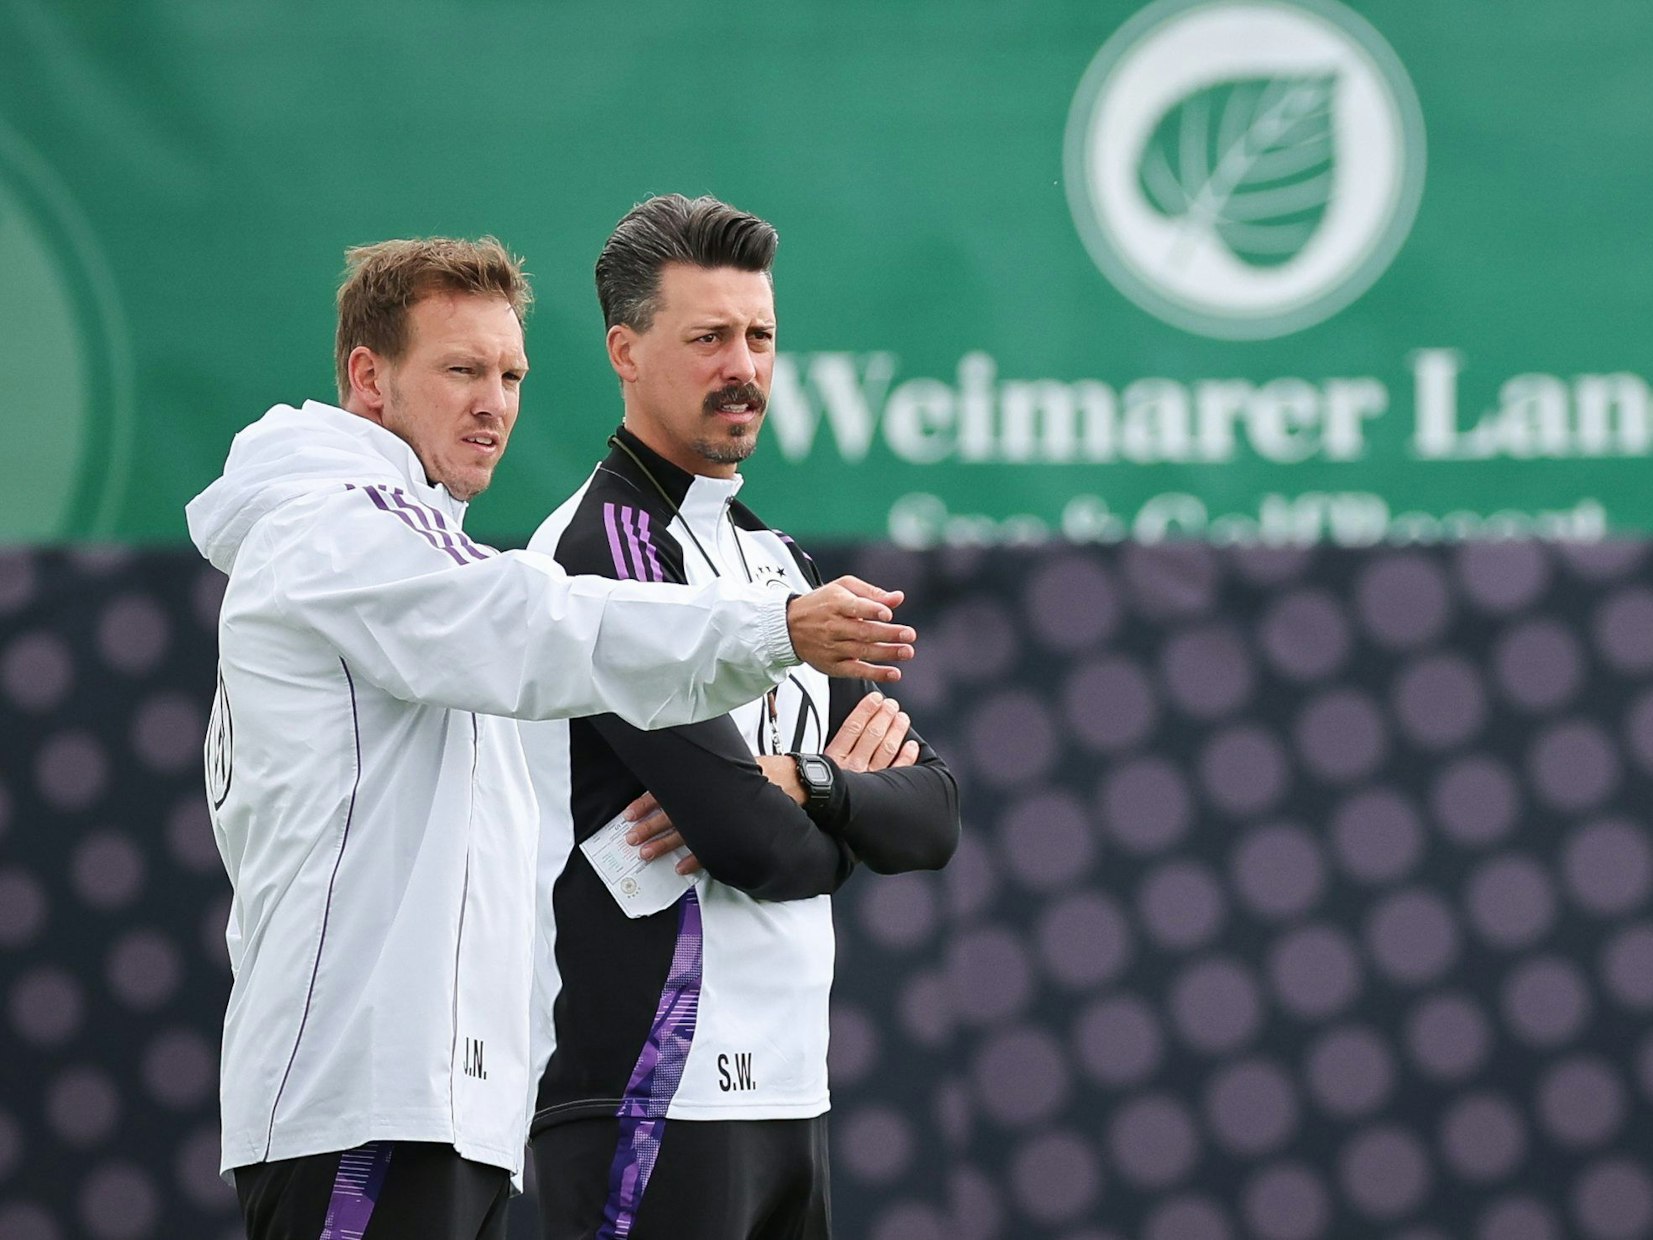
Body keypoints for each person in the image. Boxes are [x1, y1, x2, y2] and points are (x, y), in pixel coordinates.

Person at [183, 236, 922, 1240]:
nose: (494, 402)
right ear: (369, 377)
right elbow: (542, 626)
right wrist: (774, 629)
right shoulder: (331, 529)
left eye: (511, 374)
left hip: (453, 1111)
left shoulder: (423, 543)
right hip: (362, 1103)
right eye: (461, 370)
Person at [521, 196, 960, 1240]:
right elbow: (753, 846)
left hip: (788, 1091)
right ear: (625, 352)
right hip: (650, 1091)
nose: (744, 367)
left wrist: (805, 781)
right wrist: (823, 802)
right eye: (708, 337)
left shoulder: (780, 561)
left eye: (759, 336)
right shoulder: (605, 550)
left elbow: (934, 815)